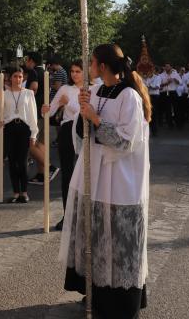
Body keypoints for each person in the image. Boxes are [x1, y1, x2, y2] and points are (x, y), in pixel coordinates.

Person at [61, 44, 150, 319]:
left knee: (119, 239)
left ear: (101, 66)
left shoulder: (129, 97)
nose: (88, 67)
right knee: (96, 236)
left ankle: (122, 303)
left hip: (120, 178)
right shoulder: (97, 90)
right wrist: (83, 111)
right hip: (94, 173)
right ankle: (97, 292)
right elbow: (80, 131)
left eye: (91, 62)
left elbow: (127, 140)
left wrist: (95, 119)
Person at [42, 59, 85, 231]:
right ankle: (67, 216)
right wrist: (47, 108)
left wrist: (70, 103)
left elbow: (84, 111)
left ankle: (83, 216)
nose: (74, 74)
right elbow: (50, 110)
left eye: (78, 71)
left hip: (84, 131)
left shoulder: (93, 88)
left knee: (84, 174)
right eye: (72, 71)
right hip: (67, 131)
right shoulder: (65, 89)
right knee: (67, 173)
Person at [0, 66, 38, 203]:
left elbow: (33, 114)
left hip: (24, 128)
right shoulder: (5, 94)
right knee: (12, 162)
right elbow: (1, 112)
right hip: (9, 128)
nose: (18, 79)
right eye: (15, 76)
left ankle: (24, 192)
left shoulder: (28, 93)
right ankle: (15, 192)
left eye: (20, 76)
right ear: (10, 78)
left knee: (22, 161)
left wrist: (34, 133)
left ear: (23, 77)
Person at [25, 52, 59, 185]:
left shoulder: (34, 72)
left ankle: (49, 166)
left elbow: (33, 89)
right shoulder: (45, 72)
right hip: (44, 110)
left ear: (30, 60)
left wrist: (24, 97)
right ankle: (41, 174)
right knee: (41, 144)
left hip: (35, 111)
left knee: (31, 143)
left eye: (26, 60)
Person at [158, 63, 181, 128]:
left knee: (176, 108)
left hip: (173, 92)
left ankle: (178, 123)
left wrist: (174, 79)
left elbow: (180, 82)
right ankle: (170, 124)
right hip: (165, 93)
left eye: (168, 66)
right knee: (168, 109)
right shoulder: (161, 75)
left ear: (171, 67)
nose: (167, 68)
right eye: (166, 66)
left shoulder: (175, 74)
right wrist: (166, 83)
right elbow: (159, 85)